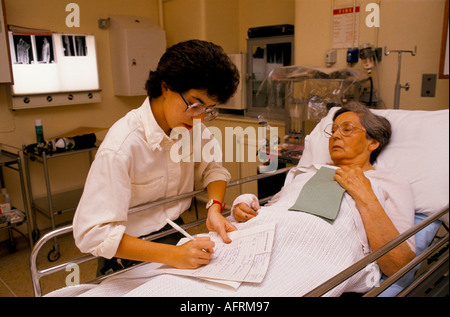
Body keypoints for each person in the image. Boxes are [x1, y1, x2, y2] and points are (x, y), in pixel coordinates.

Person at [73, 40, 240, 273]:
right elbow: (92, 234)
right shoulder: (122, 146)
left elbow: (213, 168)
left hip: (173, 231)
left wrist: (214, 207)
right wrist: (174, 255)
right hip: (127, 249)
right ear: (166, 87)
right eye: (195, 104)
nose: (199, 118)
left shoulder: (191, 127)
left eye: (208, 109)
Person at [232, 102, 416, 277]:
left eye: (347, 129)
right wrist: (244, 209)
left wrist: (365, 195)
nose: (335, 135)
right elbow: (269, 211)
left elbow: (399, 263)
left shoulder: (388, 182)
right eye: (334, 130)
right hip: (256, 243)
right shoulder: (305, 171)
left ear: (373, 143)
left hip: (307, 258)